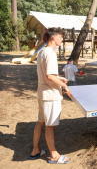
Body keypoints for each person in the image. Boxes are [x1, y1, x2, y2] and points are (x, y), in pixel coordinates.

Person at [29, 27, 72, 164]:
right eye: (60, 36)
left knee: (40, 122)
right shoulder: (51, 54)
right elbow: (49, 76)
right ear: (53, 37)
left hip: (42, 94)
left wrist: (59, 78)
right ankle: (54, 155)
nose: (61, 39)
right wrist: (64, 85)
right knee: (50, 126)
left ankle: (35, 150)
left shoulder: (42, 52)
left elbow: (42, 74)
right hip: (50, 96)